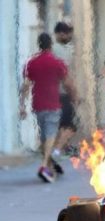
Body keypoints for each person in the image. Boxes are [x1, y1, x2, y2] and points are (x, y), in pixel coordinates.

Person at [19, 33, 79, 183]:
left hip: (37, 105)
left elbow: (25, 86)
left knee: (45, 136)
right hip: (53, 103)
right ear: (51, 45)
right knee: (51, 135)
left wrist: (22, 105)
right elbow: (68, 83)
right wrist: (74, 96)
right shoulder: (57, 63)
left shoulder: (31, 63)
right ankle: (45, 165)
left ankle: (51, 164)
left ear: (39, 44)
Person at [51, 22, 77, 171]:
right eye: (67, 33)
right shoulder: (62, 51)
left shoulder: (52, 50)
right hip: (63, 93)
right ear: (60, 34)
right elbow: (65, 76)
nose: (69, 36)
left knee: (60, 126)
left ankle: (57, 152)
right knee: (70, 126)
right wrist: (74, 93)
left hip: (52, 93)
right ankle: (56, 152)